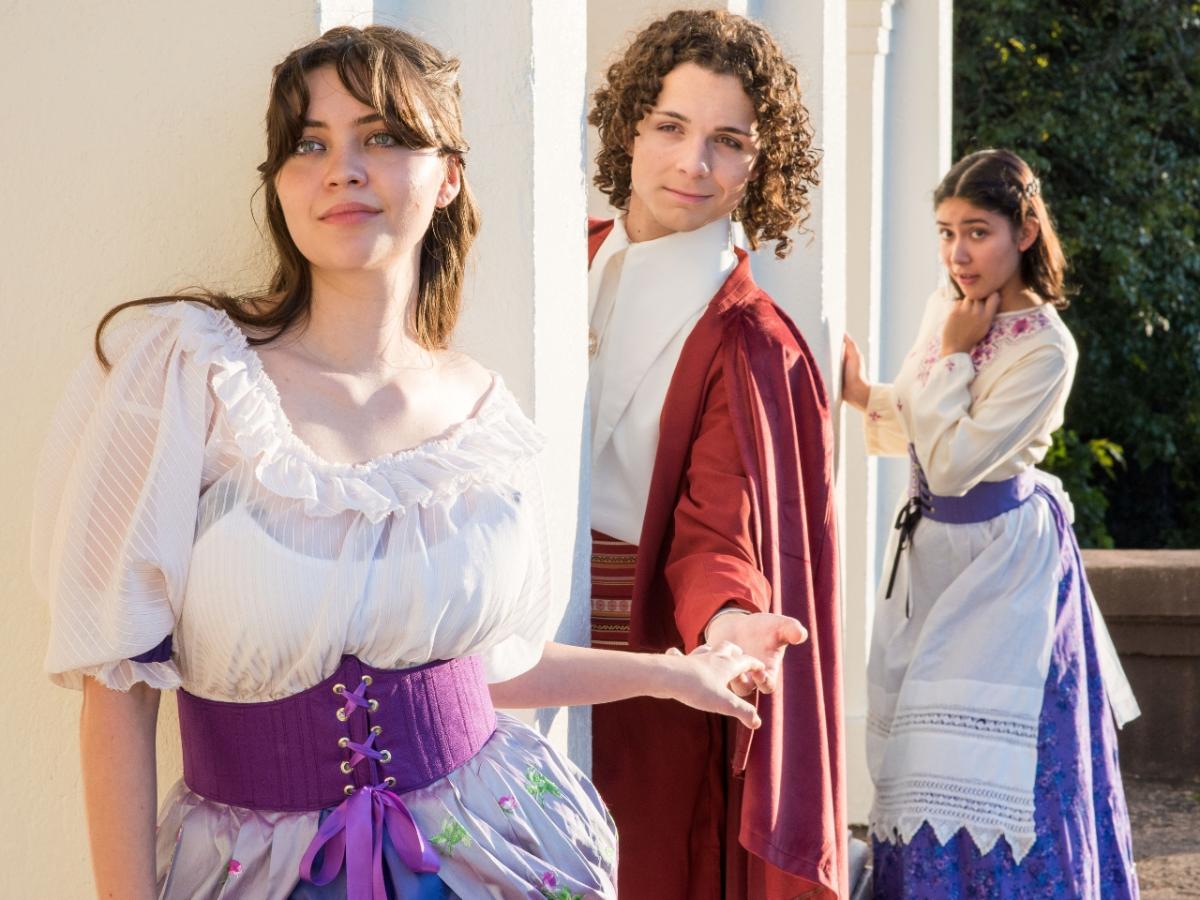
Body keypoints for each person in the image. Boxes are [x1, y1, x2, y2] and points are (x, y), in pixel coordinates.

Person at [32, 26, 775, 900]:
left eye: (382, 136)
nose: (343, 168)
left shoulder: (483, 418)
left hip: (496, 854)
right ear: (279, 185)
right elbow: (117, 688)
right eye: (310, 144)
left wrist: (671, 675)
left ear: (449, 174)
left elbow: (497, 669)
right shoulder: (186, 370)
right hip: (257, 872)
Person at [586, 10, 846, 899]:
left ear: (761, 161)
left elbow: (718, 528)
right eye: (670, 126)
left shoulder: (752, 342)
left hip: (644, 673)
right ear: (630, 125)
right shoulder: (554, 263)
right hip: (492, 648)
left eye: (727, 141)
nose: (693, 165)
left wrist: (728, 621)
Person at [842, 148, 1140, 897]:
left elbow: (954, 463)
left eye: (977, 232)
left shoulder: (1047, 349)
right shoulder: (949, 310)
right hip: (932, 553)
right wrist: (863, 395)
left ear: (1026, 232)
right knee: (919, 756)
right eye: (946, 232)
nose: (957, 253)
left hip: (1005, 569)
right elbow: (918, 422)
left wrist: (952, 356)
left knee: (995, 769)